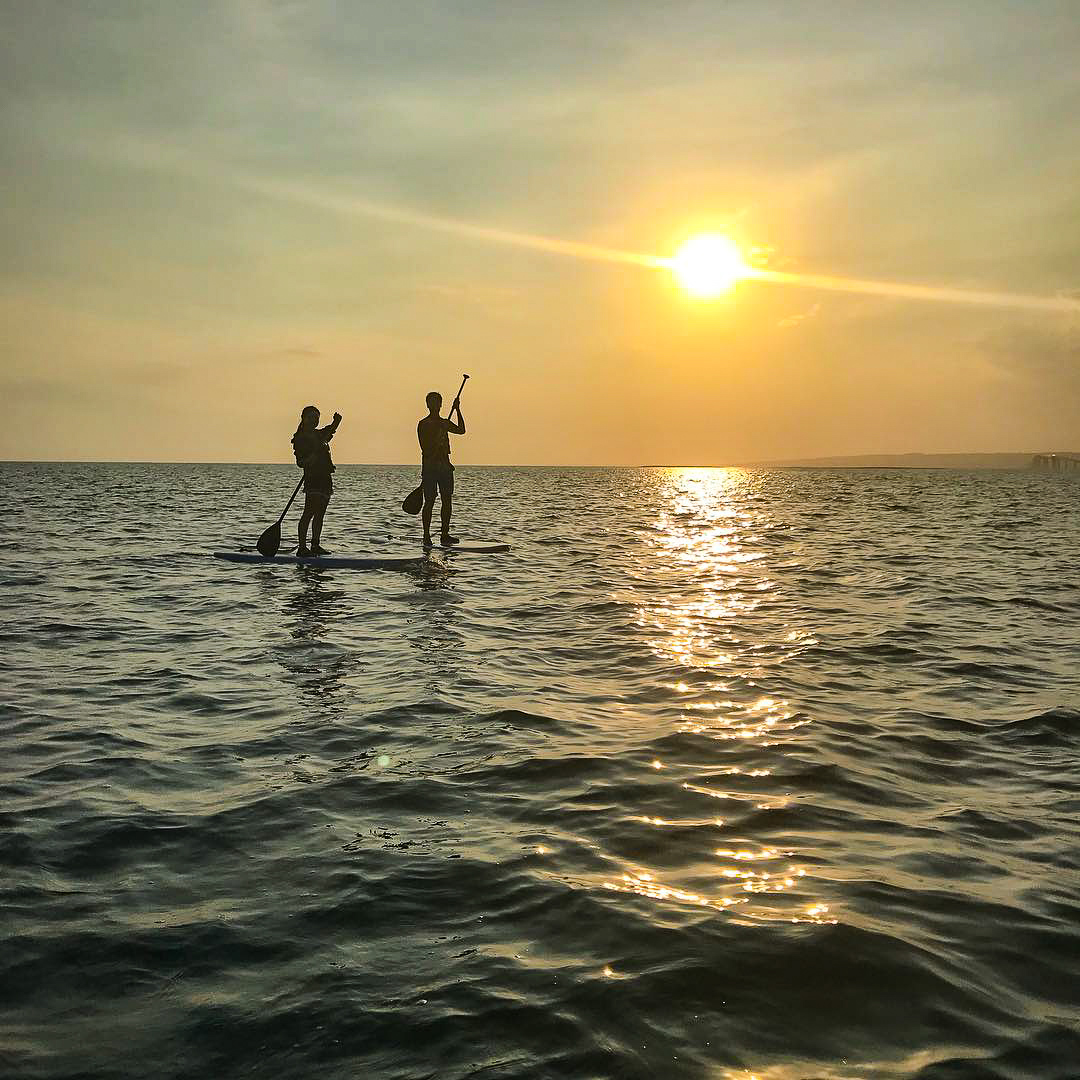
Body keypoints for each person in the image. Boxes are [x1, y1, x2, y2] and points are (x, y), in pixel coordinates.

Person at [291, 405, 342, 557]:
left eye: (317, 418)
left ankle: (315, 545)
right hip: (312, 478)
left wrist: (336, 422)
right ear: (304, 419)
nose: (315, 420)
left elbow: (330, 431)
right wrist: (311, 458)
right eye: (311, 417)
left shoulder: (320, 435)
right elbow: (300, 462)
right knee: (309, 512)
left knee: (320, 513)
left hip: (325, 477)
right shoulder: (300, 438)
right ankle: (302, 547)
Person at [417, 390, 465, 547]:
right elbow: (424, 447)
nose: (435, 405)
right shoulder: (423, 424)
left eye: (437, 402)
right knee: (429, 501)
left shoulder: (445, 423)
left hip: (445, 467)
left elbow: (461, 430)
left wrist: (457, 409)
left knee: (447, 500)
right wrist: (435, 443)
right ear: (427, 405)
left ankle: (445, 534)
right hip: (430, 467)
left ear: (441, 405)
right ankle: (426, 535)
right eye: (431, 402)